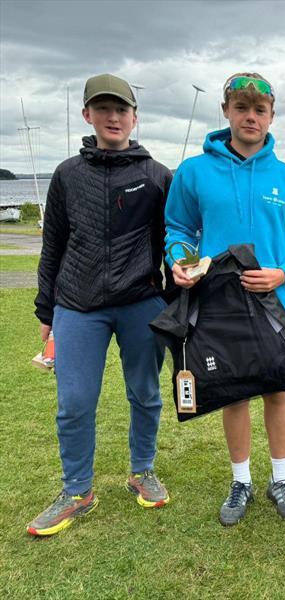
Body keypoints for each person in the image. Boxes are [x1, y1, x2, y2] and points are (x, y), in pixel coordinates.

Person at [165, 72, 285, 525]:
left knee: (276, 392)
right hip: (218, 307)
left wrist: (283, 272)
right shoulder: (194, 171)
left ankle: (281, 478)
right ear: (226, 112)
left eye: (259, 109)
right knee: (233, 396)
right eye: (241, 107)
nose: (250, 116)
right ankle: (241, 482)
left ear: (272, 115)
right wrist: (180, 260)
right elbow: (177, 229)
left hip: (277, 305)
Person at [29, 73, 173, 536]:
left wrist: (171, 299)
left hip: (141, 303)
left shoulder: (156, 175)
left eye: (122, 109)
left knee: (145, 393)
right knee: (74, 402)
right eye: (103, 108)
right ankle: (77, 490)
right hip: (76, 304)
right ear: (87, 114)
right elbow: (52, 245)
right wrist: (46, 313)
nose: (114, 117)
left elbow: (174, 243)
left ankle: (142, 470)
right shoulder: (67, 174)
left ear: (134, 116)